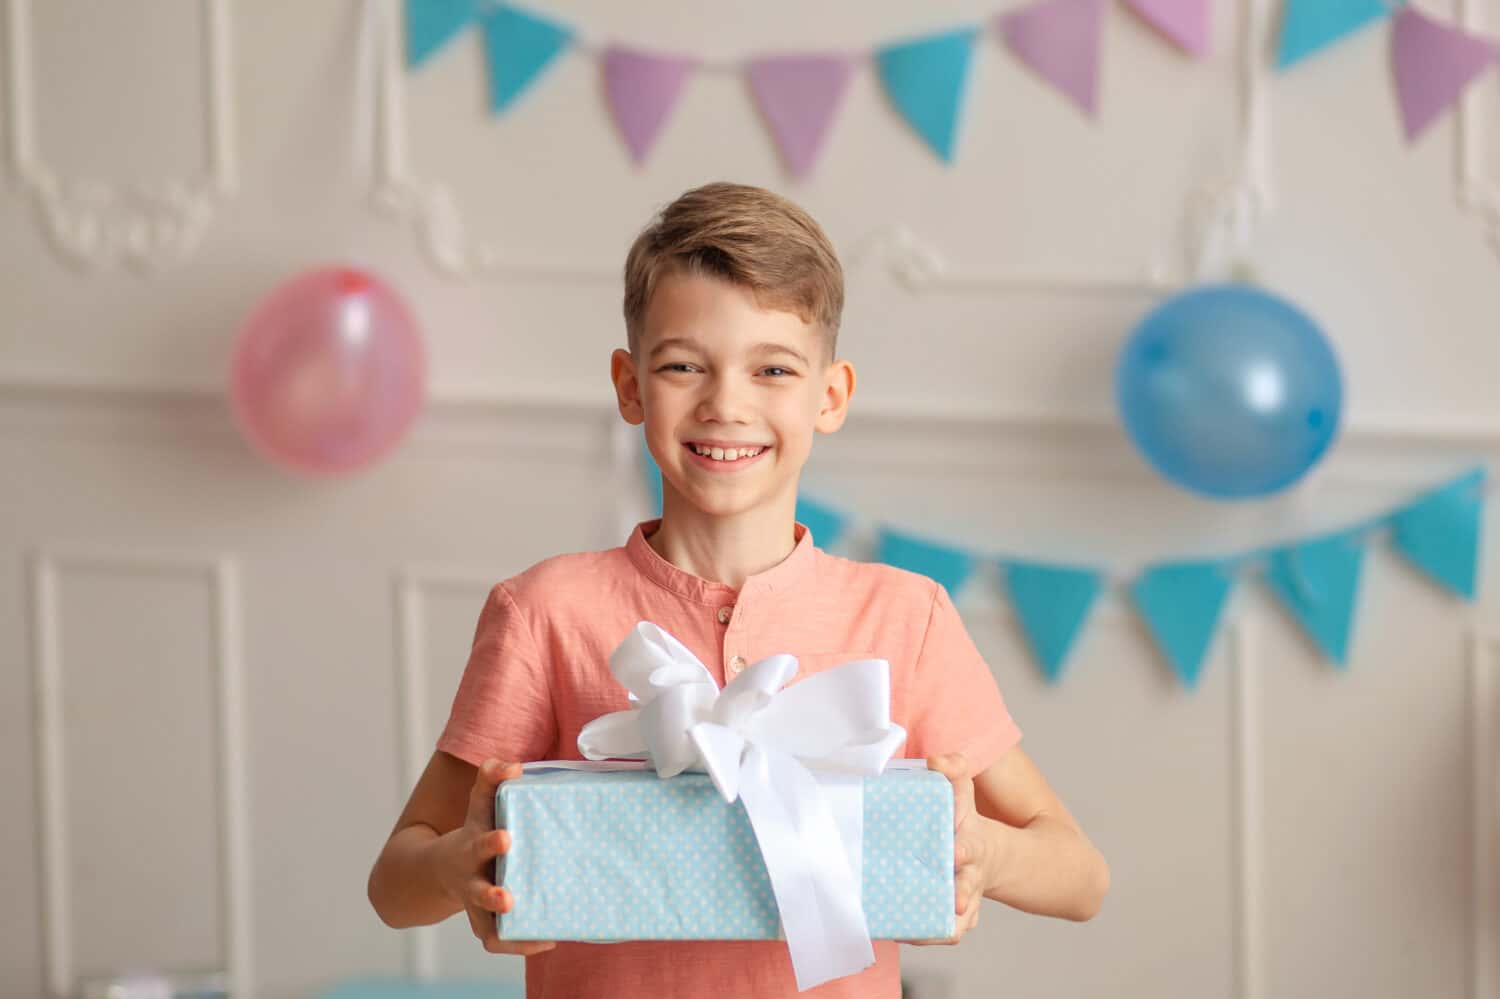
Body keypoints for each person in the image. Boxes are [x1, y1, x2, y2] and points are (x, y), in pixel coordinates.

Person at [367, 182, 1109, 998]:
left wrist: (983, 854)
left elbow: (1080, 876)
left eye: (773, 369)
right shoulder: (546, 611)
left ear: (830, 397)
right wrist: (457, 866)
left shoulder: (906, 617)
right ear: (629, 385)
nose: (727, 403)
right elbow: (394, 883)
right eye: (684, 365)